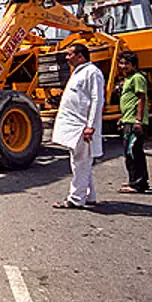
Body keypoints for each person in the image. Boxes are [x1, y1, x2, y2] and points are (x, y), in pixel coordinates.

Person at [51, 43, 105, 209]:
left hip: (82, 126)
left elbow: (97, 100)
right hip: (75, 125)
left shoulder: (92, 73)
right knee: (79, 162)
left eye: (70, 54)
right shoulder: (79, 72)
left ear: (80, 56)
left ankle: (75, 199)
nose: (67, 58)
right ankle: (89, 195)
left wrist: (90, 126)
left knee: (81, 162)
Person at [117, 50, 149, 193]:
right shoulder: (128, 79)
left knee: (134, 152)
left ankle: (138, 183)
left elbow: (141, 98)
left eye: (126, 63)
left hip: (134, 122)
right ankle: (134, 180)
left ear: (134, 65)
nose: (123, 66)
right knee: (130, 153)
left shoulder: (137, 78)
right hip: (127, 120)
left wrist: (138, 121)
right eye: (121, 63)